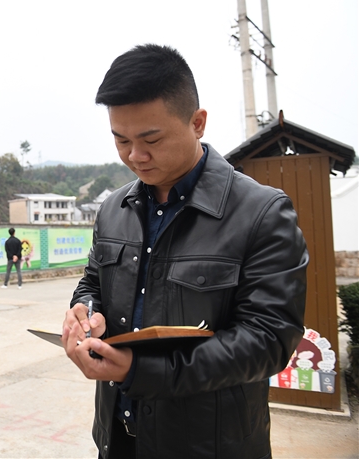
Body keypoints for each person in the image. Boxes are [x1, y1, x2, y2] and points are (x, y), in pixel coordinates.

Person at [61, 44, 308, 458]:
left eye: (151, 139)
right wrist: (85, 311)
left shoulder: (261, 212)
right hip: (117, 438)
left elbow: (269, 340)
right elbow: (92, 282)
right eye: (121, 140)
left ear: (197, 123)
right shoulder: (114, 208)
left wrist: (144, 371)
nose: (135, 156)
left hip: (210, 445)